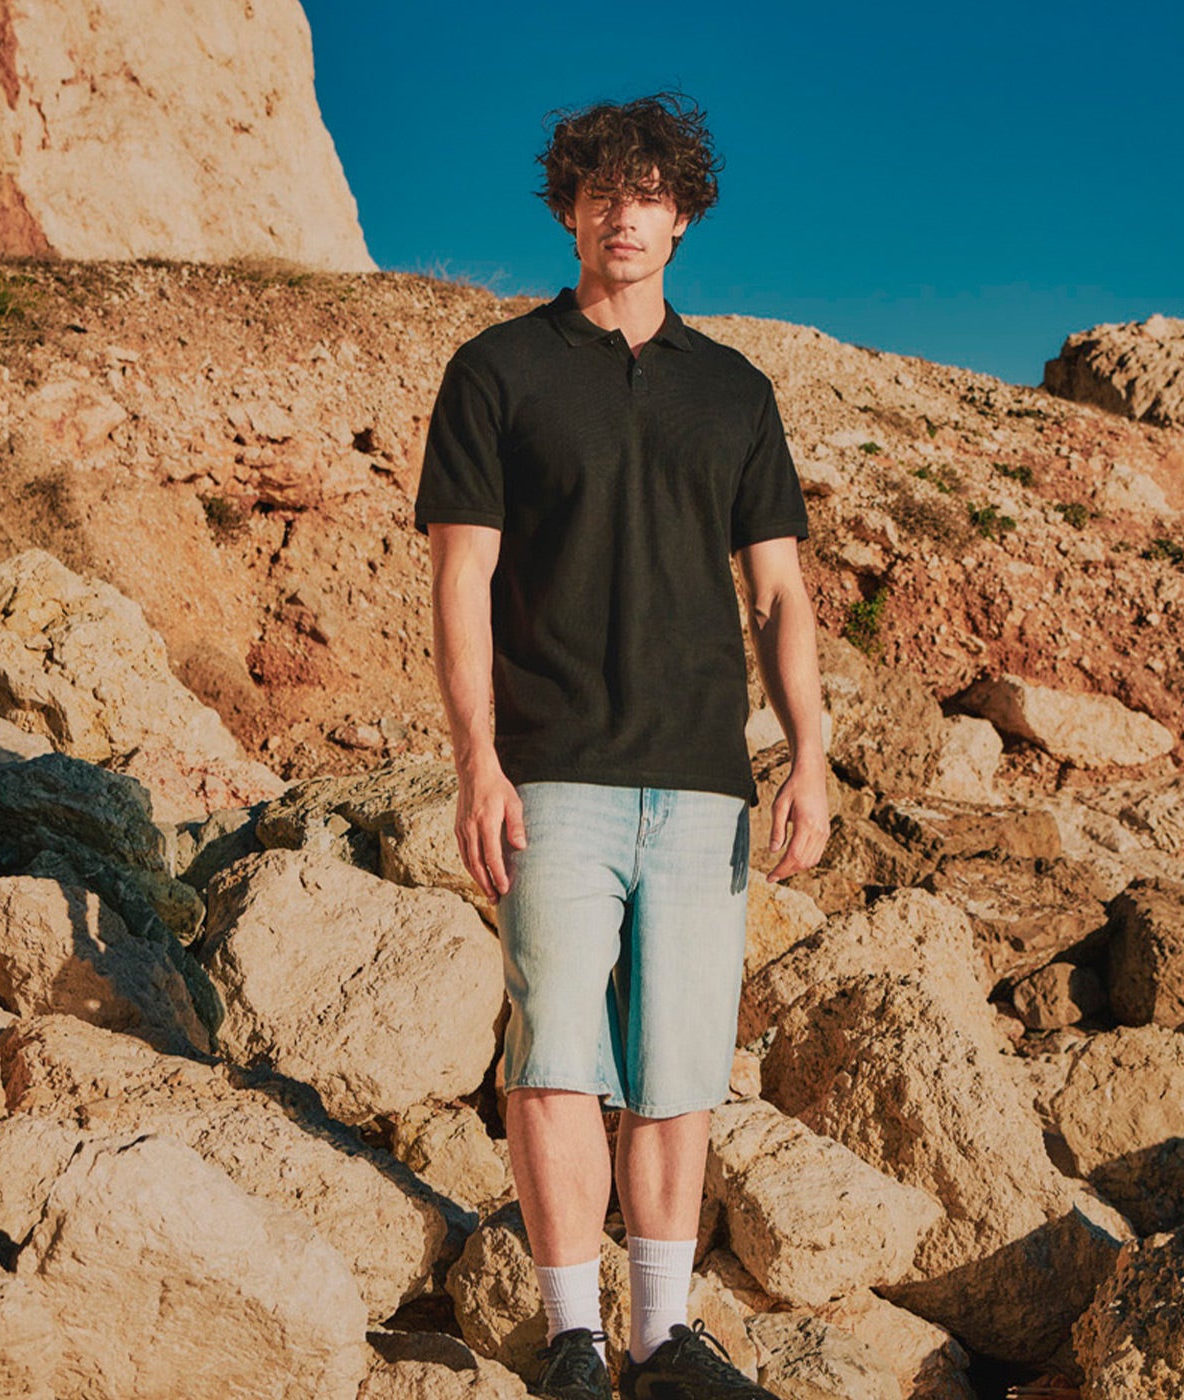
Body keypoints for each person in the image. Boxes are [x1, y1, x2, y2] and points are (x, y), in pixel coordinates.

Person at [413, 90, 830, 1399]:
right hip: (551, 773)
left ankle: (659, 1337)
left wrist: (809, 753)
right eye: (602, 192)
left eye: (649, 193)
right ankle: (571, 1339)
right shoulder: (498, 372)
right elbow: (462, 581)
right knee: (552, 1056)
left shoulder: (735, 391)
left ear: (683, 215)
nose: (625, 215)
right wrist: (477, 762)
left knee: (678, 1069)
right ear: (568, 210)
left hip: (703, 779)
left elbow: (779, 591)